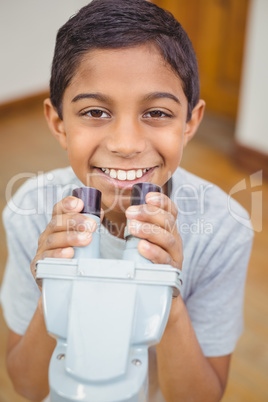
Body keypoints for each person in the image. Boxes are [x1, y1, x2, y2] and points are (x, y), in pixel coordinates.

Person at [0, 0, 253, 401]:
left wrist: (166, 291)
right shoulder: (30, 211)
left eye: (156, 112)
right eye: (96, 111)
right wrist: (54, 288)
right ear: (58, 122)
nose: (126, 145)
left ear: (190, 122)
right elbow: (29, 387)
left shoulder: (223, 227)